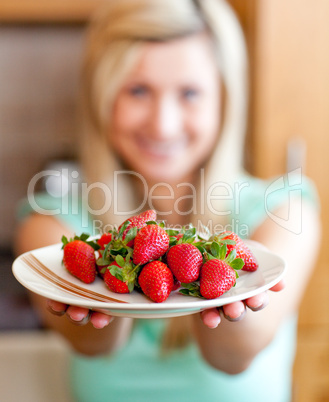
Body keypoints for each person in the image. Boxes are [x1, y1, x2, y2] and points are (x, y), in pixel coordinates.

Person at [15, 0, 320, 401]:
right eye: (138, 90)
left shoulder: (284, 211)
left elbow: (232, 357)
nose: (163, 123)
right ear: (101, 97)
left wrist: (236, 292)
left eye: (190, 92)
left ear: (224, 101)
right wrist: (105, 289)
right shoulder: (53, 223)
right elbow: (91, 344)